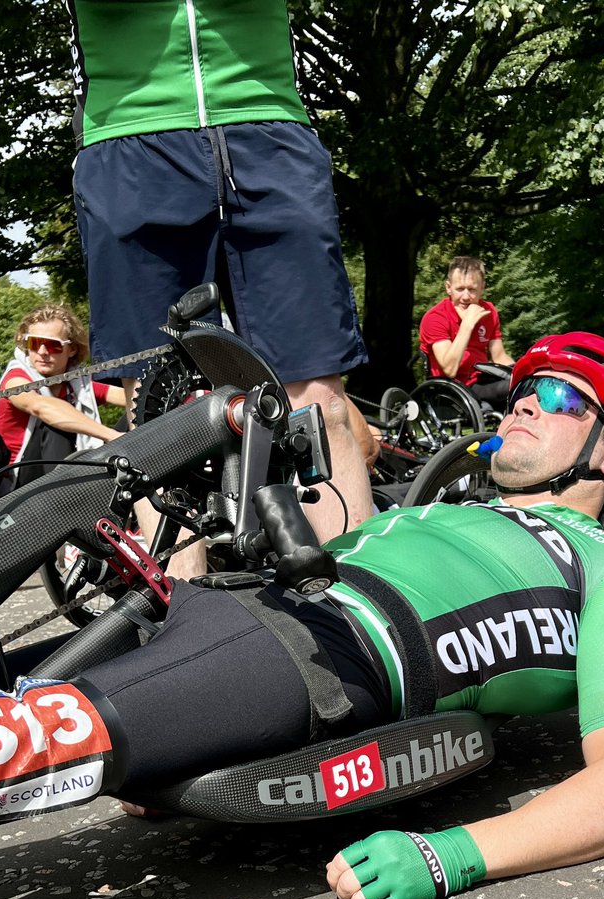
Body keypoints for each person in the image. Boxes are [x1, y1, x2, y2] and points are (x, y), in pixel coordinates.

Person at [0, 332, 604, 899]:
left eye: (559, 401)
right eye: (523, 392)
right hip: (227, 610)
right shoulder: (434, 510)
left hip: (318, 654)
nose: (523, 404)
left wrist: (456, 856)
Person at [64, 0, 373, 538]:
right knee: (159, 412)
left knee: (320, 401)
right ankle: (183, 608)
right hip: (130, 138)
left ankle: (365, 596)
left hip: (268, 129)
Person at [0, 306, 125, 489]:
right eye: (34, 344)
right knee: (55, 422)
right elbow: (41, 408)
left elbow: (131, 397)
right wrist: (112, 436)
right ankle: (67, 499)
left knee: (136, 413)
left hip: (63, 464)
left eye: (53, 345)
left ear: (72, 349)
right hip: (15, 483)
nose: (43, 352)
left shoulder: (79, 383)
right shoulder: (15, 379)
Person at [418, 256, 515, 407]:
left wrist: (524, 371)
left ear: (482, 288)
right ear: (448, 288)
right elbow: (449, 369)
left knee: (525, 382)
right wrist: (467, 325)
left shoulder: (489, 311)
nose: (465, 297)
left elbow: (499, 356)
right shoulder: (435, 318)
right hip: (453, 387)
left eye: (472, 290)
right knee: (513, 387)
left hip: (483, 378)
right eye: (460, 289)